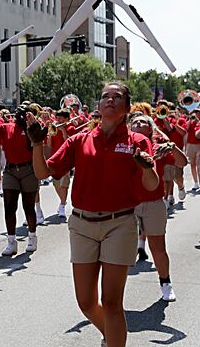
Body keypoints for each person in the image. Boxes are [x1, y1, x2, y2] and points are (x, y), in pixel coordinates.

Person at [30, 82, 160, 347]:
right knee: (86, 302)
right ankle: (112, 337)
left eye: (117, 97)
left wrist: (147, 167)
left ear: (127, 107)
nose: (110, 100)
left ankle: (114, 341)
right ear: (98, 105)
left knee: (111, 302)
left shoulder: (138, 142)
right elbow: (43, 173)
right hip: (82, 225)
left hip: (119, 225)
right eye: (105, 96)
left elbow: (152, 185)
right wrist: (36, 144)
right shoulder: (79, 140)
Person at [129, 114, 185, 302]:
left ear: (151, 128)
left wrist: (172, 146)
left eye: (143, 122)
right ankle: (112, 293)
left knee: (158, 247)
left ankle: (165, 283)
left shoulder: (158, 146)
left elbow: (182, 162)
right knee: (119, 249)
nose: (138, 123)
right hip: (128, 203)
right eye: (135, 122)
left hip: (153, 202)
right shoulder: (122, 146)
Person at [0, 94, 40, 256]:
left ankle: (32, 237)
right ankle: (11, 241)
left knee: (28, 207)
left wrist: (31, 125)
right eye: (18, 113)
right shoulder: (7, 127)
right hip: (10, 171)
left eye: (23, 114)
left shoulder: (31, 127)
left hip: (28, 170)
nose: (19, 116)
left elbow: (36, 141)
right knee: (9, 207)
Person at [48, 109, 78, 218]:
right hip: (54, 158)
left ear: (66, 119)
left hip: (66, 159)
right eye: (57, 118)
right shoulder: (54, 128)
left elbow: (68, 142)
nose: (58, 120)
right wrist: (50, 134)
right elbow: (49, 144)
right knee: (56, 184)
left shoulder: (71, 128)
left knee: (64, 184)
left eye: (60, 118)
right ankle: (63, 201)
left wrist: (63, 131)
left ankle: (62, 206)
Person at [184, 108, 200, 193]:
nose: (196, 114)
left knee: (199, 165)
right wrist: (190, 120)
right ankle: (195, 182)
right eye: (194, 112)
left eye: (197, 112)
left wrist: (198, 121)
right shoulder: (190, 121)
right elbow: (186, 131)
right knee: (192, 164)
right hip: (191, 144)